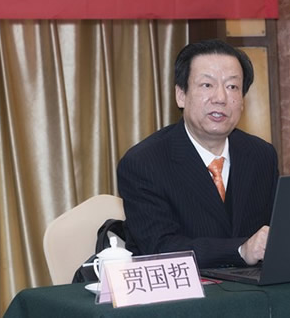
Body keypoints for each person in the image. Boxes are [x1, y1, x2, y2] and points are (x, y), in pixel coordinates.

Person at [117, 39, 279, 268]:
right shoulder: (143, 163)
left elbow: (277, 230)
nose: (220, 98)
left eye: (232, 87)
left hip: (253, 285)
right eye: (207, 85)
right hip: (183, 288)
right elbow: (160, 247)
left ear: (243, 100)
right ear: (181, 95)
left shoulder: (261, 155)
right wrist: (240, 250)